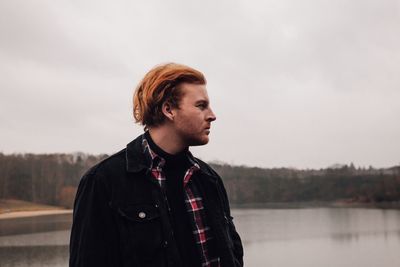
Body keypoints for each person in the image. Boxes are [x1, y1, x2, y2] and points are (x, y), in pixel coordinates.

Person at [69, 63, 244, 267]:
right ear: (169, 109)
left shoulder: (208, 178)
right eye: (201, 106)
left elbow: (233, 254)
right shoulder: (103, 181)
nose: (212, 115)